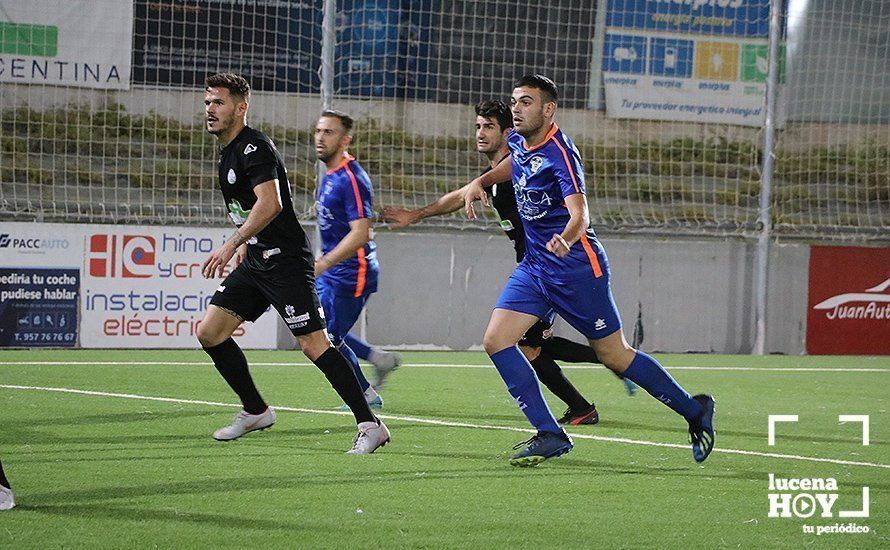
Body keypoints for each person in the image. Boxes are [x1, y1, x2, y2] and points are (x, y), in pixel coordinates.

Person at [461, 75, 715, 466]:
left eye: (526, 102)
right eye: (515, 101)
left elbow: (581, 212)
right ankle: (550, 433)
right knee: (497, 340)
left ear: (549, 109)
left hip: (577, 268)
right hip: (535, 268)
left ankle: (695, 411)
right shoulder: (518, 140)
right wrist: (481, 180)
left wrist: (565, 236)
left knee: (615, 355)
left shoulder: (561, 153)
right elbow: (513, 165)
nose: (517, 108)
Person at [383, 99, 636, 426]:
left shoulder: (522, 167)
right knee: (531, 346)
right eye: (477, 126)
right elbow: (459, 196)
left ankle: (590, 394)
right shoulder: (497, 174)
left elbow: (563, 201)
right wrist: (416, 214)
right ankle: (600, 375)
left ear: (508, 132)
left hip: (553, 267)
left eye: (488, 126)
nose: (480, 133)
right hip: (535, 269)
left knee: (526, 347)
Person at [197, 73, 389, 454]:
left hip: (285, 262)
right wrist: (244, 242)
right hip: (256, 261)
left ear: (241, 107)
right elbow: (247, 211)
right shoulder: (228, 151)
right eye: (207, 103)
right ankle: (255, 410)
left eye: (218, 103)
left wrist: (231, 242)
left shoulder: (254, 149)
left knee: (314, 344)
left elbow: (271, 204)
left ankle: (371, 424)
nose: (210, 110)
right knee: (210, 332)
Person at [313, 110, 399, 408]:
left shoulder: (351, 178)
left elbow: (361, 233)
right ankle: (378, 360)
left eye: (329, 132)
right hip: (331, 271)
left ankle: (366, 395)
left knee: (327, 340)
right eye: (319, 131)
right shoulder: (329, 176)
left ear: (345, 139)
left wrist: (323, 262)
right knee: (321, 334)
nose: (321, 138)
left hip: (353, 272)